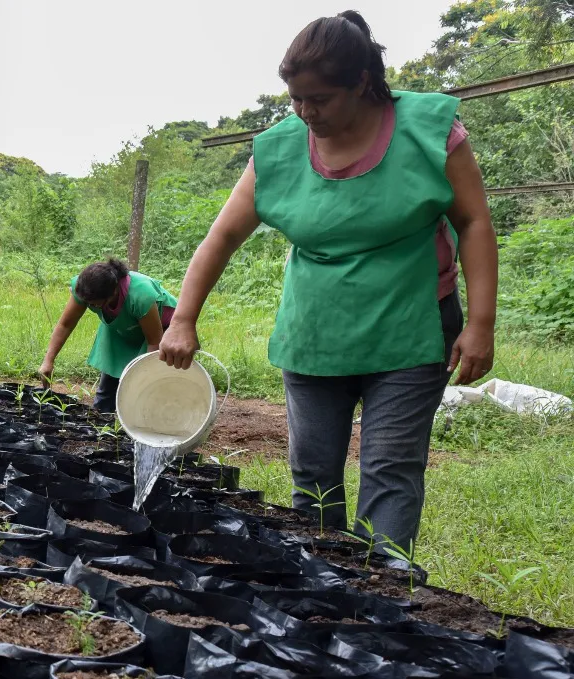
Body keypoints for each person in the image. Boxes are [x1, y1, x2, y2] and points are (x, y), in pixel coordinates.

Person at [157, 11, 498, 556]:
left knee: (389, 470)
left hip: (410, 328)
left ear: (361, 83)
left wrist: (481, 323)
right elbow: (221, 237)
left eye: (319, 99)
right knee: (312, 475)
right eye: (295, 98)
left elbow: (474, 222)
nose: (305, 112)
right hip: (315, 330)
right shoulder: (279, 148)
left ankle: (383, 598)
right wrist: (183, 318)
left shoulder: (430, 131)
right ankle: (319, 599)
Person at [39, 258, 178, 412]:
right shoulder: (85, 287)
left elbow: (154, 343)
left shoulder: (140, 295)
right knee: (107, 393)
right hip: (121, 327)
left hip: (162, 330)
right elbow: (65, 324)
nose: (90, 306)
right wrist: (48, 360)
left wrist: (142, 380)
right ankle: (102, 419)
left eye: (94, 304)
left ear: (114, 292)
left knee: (147, 390)